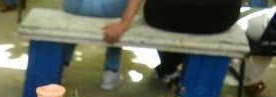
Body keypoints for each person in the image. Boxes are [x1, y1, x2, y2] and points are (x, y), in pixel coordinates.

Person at [103, 0, 242, 86]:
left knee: (171, 22)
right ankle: (169, 68)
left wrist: (125, 22)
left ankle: (168, 67)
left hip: (166, 15)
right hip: (219, 17)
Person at [61, 0, 130, 91]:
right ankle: (111, 72)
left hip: (76, 6)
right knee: (116, 22)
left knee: (74, 23)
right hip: (109, 8)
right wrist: (125, 22)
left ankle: (62, 66)